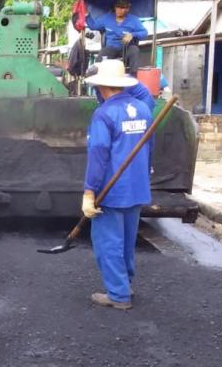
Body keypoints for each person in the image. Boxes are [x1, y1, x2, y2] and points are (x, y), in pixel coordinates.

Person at [82, 60, 153, 310]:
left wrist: (90, 191)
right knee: (126, 240)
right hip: (137, 187)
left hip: (112, 190)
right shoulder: (143, 108)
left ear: (101, 86)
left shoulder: (104, 114)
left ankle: (118, 295)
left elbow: (99, 153)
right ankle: (125, 284)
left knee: (108, 242)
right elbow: (148, 146)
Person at [86, 0, 148, 76]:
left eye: (122, 8)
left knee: (134, 50)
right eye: (117, 7)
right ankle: (97, 78)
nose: (119, 10)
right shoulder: (107, 18)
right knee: (102, 54)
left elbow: (144, 33)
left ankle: (133, 76)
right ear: (114, 8)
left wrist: (132, 35)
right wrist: (87, 15)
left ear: (127, 9)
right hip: (111, 48)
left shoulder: (134, 20)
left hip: (126, 48)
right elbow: (93, 26)